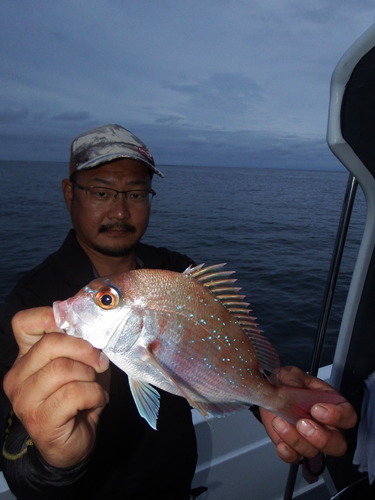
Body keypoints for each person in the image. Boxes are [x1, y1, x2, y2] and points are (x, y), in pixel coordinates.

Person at [0, 124, 357, 499]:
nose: (120, 210)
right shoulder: (32, 303)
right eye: (102, 191)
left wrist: (276, 400)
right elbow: (14, 458)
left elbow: (224, 361)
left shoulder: (179, 273)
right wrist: (54, 460)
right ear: (69, 193)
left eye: (136, 193)